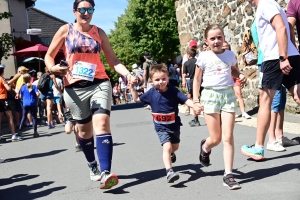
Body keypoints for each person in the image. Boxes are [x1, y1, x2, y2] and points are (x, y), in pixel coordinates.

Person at [44, 0, 136, 189]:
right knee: (85, 132)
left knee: (102, 123)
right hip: (74, 88)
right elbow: (49, 55)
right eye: (82, 10)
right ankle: (92, 164)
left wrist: (127, 74)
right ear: (74, 11)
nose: (86, 13)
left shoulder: (99, 32)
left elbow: (112, 59)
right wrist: (53, 68)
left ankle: (106, 172)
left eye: (90, 9)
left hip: (99, 82)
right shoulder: (65, 30)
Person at [242, 0, 300, 160]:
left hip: (276, 58)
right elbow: (288, 28)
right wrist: (291, 52)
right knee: (298, 94)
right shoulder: (273, 4)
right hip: (289, 54)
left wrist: (283, 57)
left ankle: (259, 147)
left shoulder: (265, 4)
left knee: (265, 101)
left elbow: (281, 27)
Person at [193, 24, 246, 190]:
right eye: (212, 38)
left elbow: (234, 71)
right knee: (215, 139)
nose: (216, 41)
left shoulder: (230, 54)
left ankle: (228, 175)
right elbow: (196, 80)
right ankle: (205, 147)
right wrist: (195, 100)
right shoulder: (203, 57)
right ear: (206, 41)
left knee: (228, 137)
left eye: (219, 37)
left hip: (228, 96)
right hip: (210, 96)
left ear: (224, 38)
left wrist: (241, 75)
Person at [129, 64, 196, 183]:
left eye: (163, 79)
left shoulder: (173, 91)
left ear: (168, 78)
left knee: (175, 147)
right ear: (151, 81)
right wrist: (133, 89)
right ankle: (169, 171)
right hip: (160, 127)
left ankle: (171, 154)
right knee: (167, 146)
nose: (161, 82)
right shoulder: (151, 93)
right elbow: (137, 100)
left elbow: (186, 100)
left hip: (174, 125)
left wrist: (194, 106)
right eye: (157, 80)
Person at [251, 18, 299, 151]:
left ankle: (279, 135)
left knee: (281, 100)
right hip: (270, 61)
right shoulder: (260, 21)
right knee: (273, 100)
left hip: (279, 58)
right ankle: (271, 139)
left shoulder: (269, 14)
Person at [222, 41, 251, 119]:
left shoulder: (232, 55)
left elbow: (236, 67)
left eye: (226, 46)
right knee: (228, 96)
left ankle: (243, 112)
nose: (225, 47)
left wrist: (239, 76)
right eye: (223, 46)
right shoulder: (220, 56)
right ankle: (230, 113)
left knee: (239, 94)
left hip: (234, 77)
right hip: (227, 78)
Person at [182, 47, 200, 127]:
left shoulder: (186, 63)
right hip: (202, 81)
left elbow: (184, 74)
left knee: (193, 100)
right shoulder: (198, 61)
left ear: (188, 55)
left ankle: (196, 119)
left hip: (193, 82)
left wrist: (184, 80)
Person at [0, 64, 18, 142]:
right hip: (3, 99)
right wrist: (10, 87)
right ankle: (13, 135)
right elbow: (7, 88)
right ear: (2, 71)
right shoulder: (1, 79)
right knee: (10, 117)